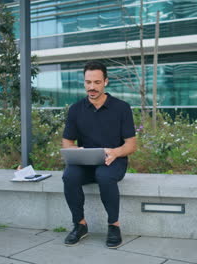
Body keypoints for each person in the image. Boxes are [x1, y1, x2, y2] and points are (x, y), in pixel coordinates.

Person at [61, 61, 137, 248]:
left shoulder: (122, 108)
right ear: (84, 83)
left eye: (96, 82)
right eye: (88, 82)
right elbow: (67, 143)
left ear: (106, 82)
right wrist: (75, 151)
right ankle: (80, 225)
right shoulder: (76, 109)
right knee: (69, 176)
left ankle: (114, 226)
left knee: (104, 175)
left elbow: (131, 145)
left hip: (114, 161)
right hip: (86, 161)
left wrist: (115, 152)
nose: (92, 87)